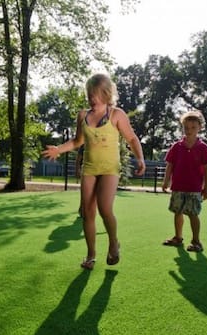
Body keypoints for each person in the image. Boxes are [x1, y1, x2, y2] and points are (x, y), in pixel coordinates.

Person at [42, 73, 146, 270]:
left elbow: (132, 138)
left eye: (96, 93)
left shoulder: (116, 114)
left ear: (106, 94)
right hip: (89, 169)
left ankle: (114, 243)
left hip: (110, 169)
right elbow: (78, 141)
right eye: (90, 93)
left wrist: (140, 158)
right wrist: (58, 149)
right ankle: (91, 255)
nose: (91, 97)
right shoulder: (83, 115)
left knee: (105, 208)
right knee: (88, 213)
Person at [161, 110, 207, 252]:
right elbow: (170, 165)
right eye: (186, 128)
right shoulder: (176, 147)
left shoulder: (203, 148)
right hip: (178, 186)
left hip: (194, 188)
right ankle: (178, 238)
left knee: (192, 213)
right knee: (177, 211)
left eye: (193, 127)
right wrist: (166, 182)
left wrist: (206, 187)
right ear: (182, 128)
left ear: (199, 128)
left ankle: (196, 241)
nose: (189, 130)